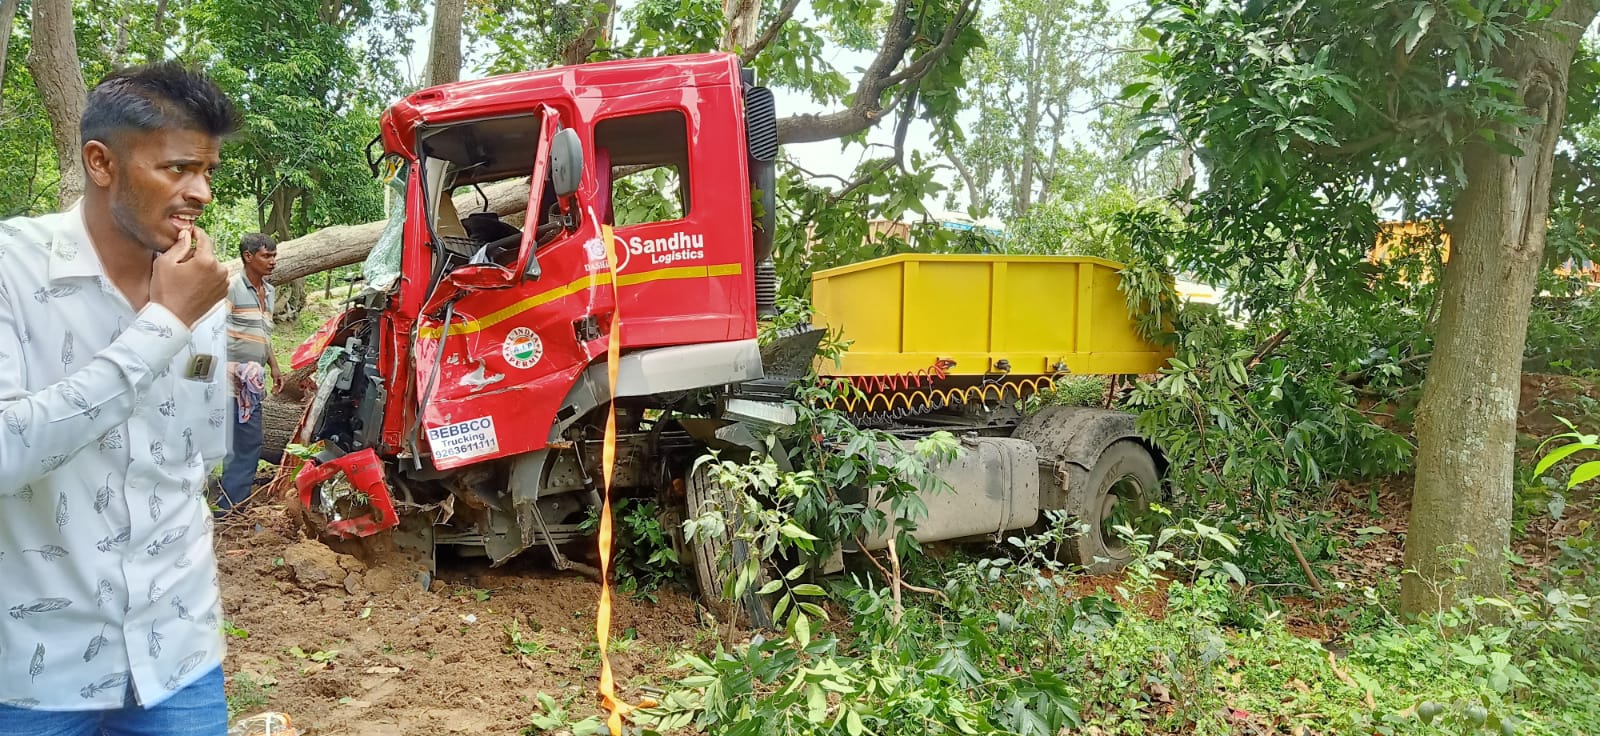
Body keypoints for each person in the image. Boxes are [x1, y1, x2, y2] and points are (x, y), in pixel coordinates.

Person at [0, 62, 239, 735]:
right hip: (34, 669)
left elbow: (198, 460)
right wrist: (164, 326)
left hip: (178, 654)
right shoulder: (13, 272)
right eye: (178, 169)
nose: (201, 193)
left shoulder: (207, 289)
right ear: (100, 163)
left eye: (208, 172)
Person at [218, 233, 279, 514]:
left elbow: (262, 335)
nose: (272, 261)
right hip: (229, 379)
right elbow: (212, 329)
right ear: (248, 256)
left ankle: (232, 501)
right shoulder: (230, 287)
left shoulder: (270, 291)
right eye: (266, 256)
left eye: (274, 256)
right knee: (241, 441)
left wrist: (274, 366)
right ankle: (230, 504)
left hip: (252, 383)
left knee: (247, 440)